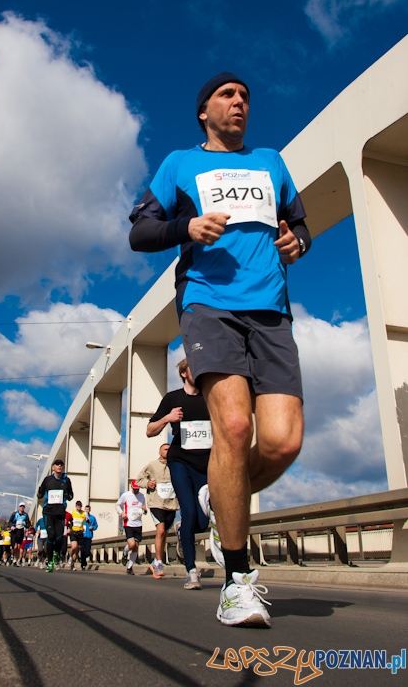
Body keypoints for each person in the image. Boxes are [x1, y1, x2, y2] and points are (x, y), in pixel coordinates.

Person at [129, 73, 311, 627]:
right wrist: (188, 227)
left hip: (271, 313)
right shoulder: (180, 163)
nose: (239, 103)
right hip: (209, 306)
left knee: (282, 442)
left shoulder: (272, 162)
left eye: (246, 97)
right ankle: (237, 581)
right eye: (227, 96)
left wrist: (296, 242)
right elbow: (140, 231)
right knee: (234, 430)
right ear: (204, 110)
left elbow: (300, 225)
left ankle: (218, 497)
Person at [146, 360, 212, 589]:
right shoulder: (173, 399)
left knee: (201, 522)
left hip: (206, 463)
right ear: (184, 373)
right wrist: (167, 418)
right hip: (180, 461)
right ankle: (192, 572)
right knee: (189, 510)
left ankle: (183, 528)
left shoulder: (210, 396)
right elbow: (149, 430)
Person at [136, 443, 179, 580]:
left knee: (164, 533)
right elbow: (139, 479)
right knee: (160, 531)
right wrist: (148, 484)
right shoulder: (152, 465)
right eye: (166, 449)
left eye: (170, 449)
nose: (168, 451)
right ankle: (159, 563)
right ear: (160, 452)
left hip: (171, 503)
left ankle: (156, 562)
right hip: (155, 502)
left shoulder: (176, 465)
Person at [37, 458, 74, 572]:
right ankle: (49, 561)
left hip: (60, 513)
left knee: (59, 538)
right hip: (48, 512)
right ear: (53, 467)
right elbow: (40, 494)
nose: (59, 466)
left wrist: (68, 495)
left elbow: (71, 495)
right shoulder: (48, 480)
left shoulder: (66, 480)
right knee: (51, 536)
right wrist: (39, 493)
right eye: (57, 464)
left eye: (61, 464)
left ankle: (56, 555)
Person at [115, 480, 147, 575]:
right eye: (135, 489)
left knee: (136, 547)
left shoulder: (142, 496)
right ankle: (125, 554)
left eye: (138, 489)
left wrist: (145, 510)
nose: (136, 491)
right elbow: (117, 505)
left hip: (138, 524)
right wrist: (121, 513)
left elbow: (144, 509)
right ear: (131, 487)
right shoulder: (126, 495)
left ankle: (129, 567)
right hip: (128, 523)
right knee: (132, 544)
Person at [80, 505, 98, 570]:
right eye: (86, 509)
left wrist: (92, 527)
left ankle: (83, 559)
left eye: (88, 509)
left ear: (89, 510)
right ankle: (83, 564)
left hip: (88, 537)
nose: (87, 510)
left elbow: (96, 525)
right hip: (82, 537)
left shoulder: (92, 518)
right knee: (82, 551)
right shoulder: (82, 517)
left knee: (87, 552)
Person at [70, 501, 85, 570]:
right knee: (74, 547)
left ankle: (73, 563)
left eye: (80, 506)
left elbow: (88, 521)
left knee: (78, 549)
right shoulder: (72, 512)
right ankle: (70, 557)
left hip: (80, 533)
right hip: (73, 532)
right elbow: (68, 520)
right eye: (78, 506)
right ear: (76, 506)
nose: (79, 507)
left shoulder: (84, 513)